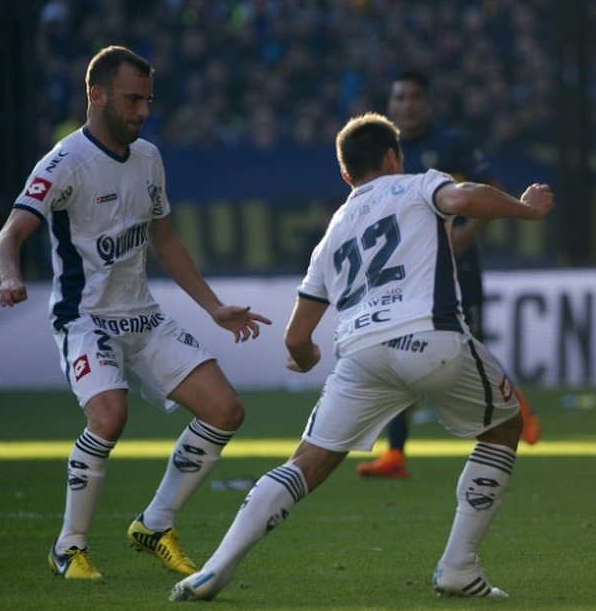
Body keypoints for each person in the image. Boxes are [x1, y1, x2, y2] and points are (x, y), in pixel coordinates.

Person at [169, 112, 555, 601]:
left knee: (305, 462)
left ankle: (213, 568)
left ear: (346, 174)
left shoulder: (332, 232)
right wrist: (526, 209)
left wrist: (306, 359)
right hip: (428, 339)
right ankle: (458, 567)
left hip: (360, 357)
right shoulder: (417, 185)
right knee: (504, 427)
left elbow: (296, 338)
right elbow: (461, 197)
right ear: (394, 156)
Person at [0, 46, 271, 581]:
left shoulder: (149, 158)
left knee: (225, 410)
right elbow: (12, 233)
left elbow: (165, 241)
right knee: (109, 417)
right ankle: (69, 546)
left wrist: (213, 308)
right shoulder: (63, 162)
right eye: (132, 99)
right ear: (96, 95)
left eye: (147, 99)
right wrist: (10, 275)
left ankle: (155, 523)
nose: (143, 111)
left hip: (141, 315)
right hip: (85, 317)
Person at [356, 70, 540, 479]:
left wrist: (464, 235)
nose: (408, 104)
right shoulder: (382, 151)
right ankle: (396, 454)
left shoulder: (451, 144)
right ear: (391, 105)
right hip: (407, 272)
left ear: (429, 103)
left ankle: (512, 406)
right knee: (396, 349)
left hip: (458, 267)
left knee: (468, 345)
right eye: (400, 97)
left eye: (416, 97)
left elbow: (490, 186)